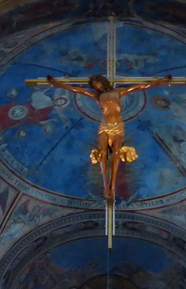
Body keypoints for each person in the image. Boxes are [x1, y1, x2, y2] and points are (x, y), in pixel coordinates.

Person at [45, 73, 172, 202]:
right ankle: (106, 187)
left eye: (98, 83)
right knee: (103, 154)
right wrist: (55, 82)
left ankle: (112, 186)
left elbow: (141, 87)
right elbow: (76, 90)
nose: (97, 86)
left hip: (118, 126)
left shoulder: (118, 92)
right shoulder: (95, 96)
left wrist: (162, 80)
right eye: (94, 85)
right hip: (105, 126)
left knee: (116, 153)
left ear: (103, 82)